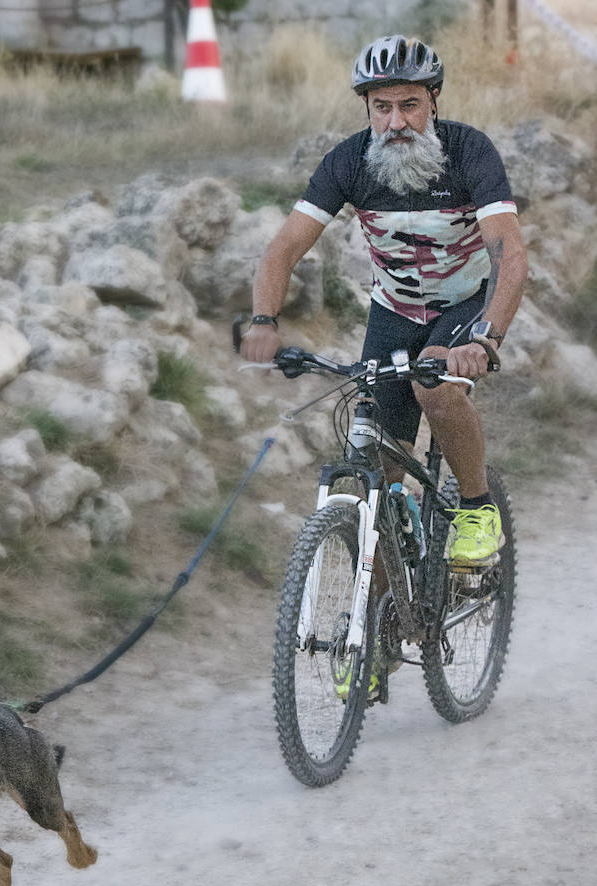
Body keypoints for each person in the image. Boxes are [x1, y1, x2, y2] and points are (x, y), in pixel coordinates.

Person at [240, 34, 528, 567]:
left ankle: (476, 508)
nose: (396, 122)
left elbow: (509, 254)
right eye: (382, 107)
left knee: (437, 392)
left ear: (433, 102)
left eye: (409, 105)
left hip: (464, 304)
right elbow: (283, 249)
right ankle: (382, 626)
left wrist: (487, 338)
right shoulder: (349, 162)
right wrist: (264, 319)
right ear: (367, 109)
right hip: (394, 311)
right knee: (379, 466)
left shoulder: (469, 151)